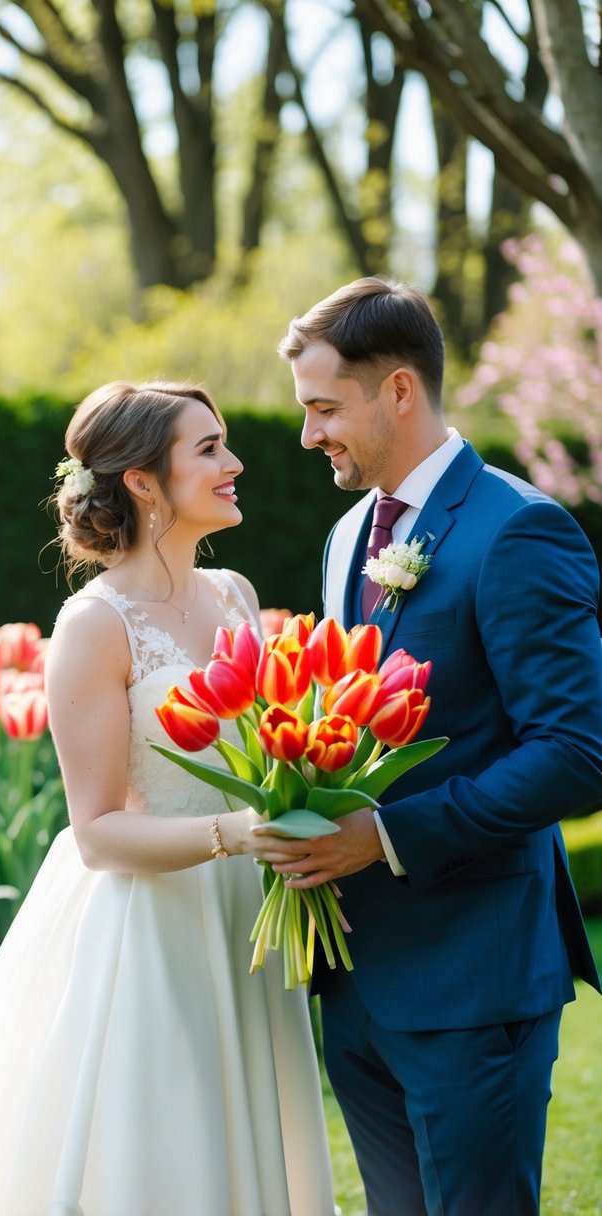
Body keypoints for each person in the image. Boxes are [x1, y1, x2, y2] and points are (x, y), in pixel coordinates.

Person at [0, 381, 336, 1216]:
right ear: (140, 480)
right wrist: (239, 832)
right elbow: (95, 832)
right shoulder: (93, 625)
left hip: (244, 916)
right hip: (153, 928)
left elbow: (273, 746)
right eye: (208, 449)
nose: (234, 463)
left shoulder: (236, 596)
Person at [268, 276, 602, 1216]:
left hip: (472, 979)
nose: (308, 435)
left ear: (400, 390)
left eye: (324, 408)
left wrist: (383, 837)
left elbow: (577, 752)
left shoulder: (520, 532)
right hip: (357, 980)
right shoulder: (344, 537)